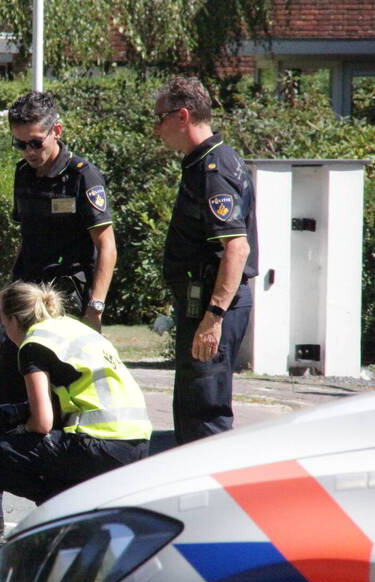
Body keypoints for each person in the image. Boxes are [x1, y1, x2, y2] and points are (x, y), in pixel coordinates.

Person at [0, 281, 152, 540]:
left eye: (3, 322)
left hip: (99, 446)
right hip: (137, 443)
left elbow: (43, 423)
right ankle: (80, 508)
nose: (3, 329)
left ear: (13, 319)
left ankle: (66, 512)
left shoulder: (32, 344)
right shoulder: (75, 329)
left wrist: (23, 428)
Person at [0, 91, 118, 443]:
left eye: (35, 143)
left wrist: (95, 309)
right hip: (26, 301)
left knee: (59, 401)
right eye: (19, 144)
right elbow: (27, 242)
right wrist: (6, 300)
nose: (28, 152)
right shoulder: (23, 175)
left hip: (65, 303)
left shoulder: (82, 177)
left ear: (56, 130)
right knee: (2, 399)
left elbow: (107, 247)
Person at [152, 76, 259, 445]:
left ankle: (212, 499)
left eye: (160, 118)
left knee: (205, 416)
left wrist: (213, 318)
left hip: (213, 307)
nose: (155, 128)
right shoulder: (203, 163)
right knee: (193, 410)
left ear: (182, 116)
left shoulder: (214, 170)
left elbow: (236, 248)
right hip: (202, 303)